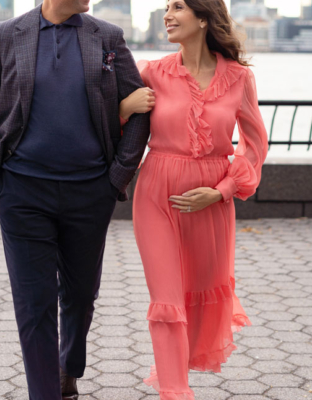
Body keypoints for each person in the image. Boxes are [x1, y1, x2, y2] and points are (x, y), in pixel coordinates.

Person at [0, 0, 150, 398]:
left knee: (81, 295)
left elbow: (141, 108)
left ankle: (69, 367)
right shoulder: (4, 37)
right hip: (22, 192)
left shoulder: (107, 37)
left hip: (91, 191)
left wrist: (118, 175)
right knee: (34, 303)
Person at [118, 0, 269, 398]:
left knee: (201, 297)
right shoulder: (151, 72)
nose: (167, 14)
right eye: (166, 7)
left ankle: (179, 373)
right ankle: (176, 392)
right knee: (166, 301)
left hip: (211, 201)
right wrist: (124, 106)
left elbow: (254, 146)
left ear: (203, 18)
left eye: (178, 7)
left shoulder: (238, 78)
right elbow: (107, 124)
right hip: (157, 196)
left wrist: (222, 191)